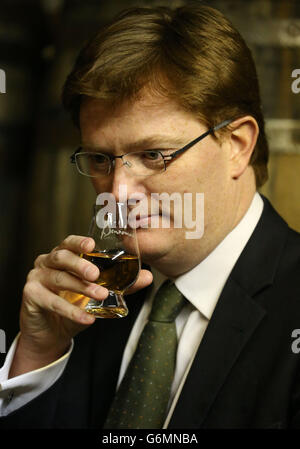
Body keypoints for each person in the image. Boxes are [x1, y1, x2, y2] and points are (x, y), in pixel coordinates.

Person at [0, 4, 300, 429]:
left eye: (153, 155)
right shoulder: (89, 304)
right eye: (101, 159)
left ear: (237, 143)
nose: (118, 194)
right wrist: (38, 354)